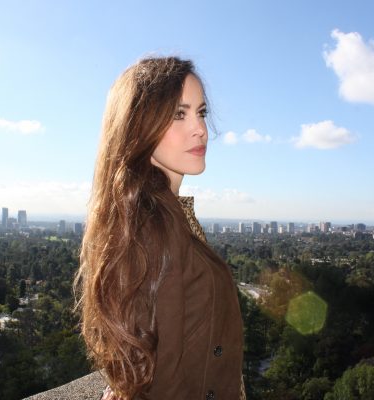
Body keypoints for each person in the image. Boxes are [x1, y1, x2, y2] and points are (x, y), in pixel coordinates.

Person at [75, 56, 244, 399]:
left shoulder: (159, 212)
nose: (199, 129)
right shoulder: (153, 225)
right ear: (139, 126)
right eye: (178, 114)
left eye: (201, 112)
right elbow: (163, 377)